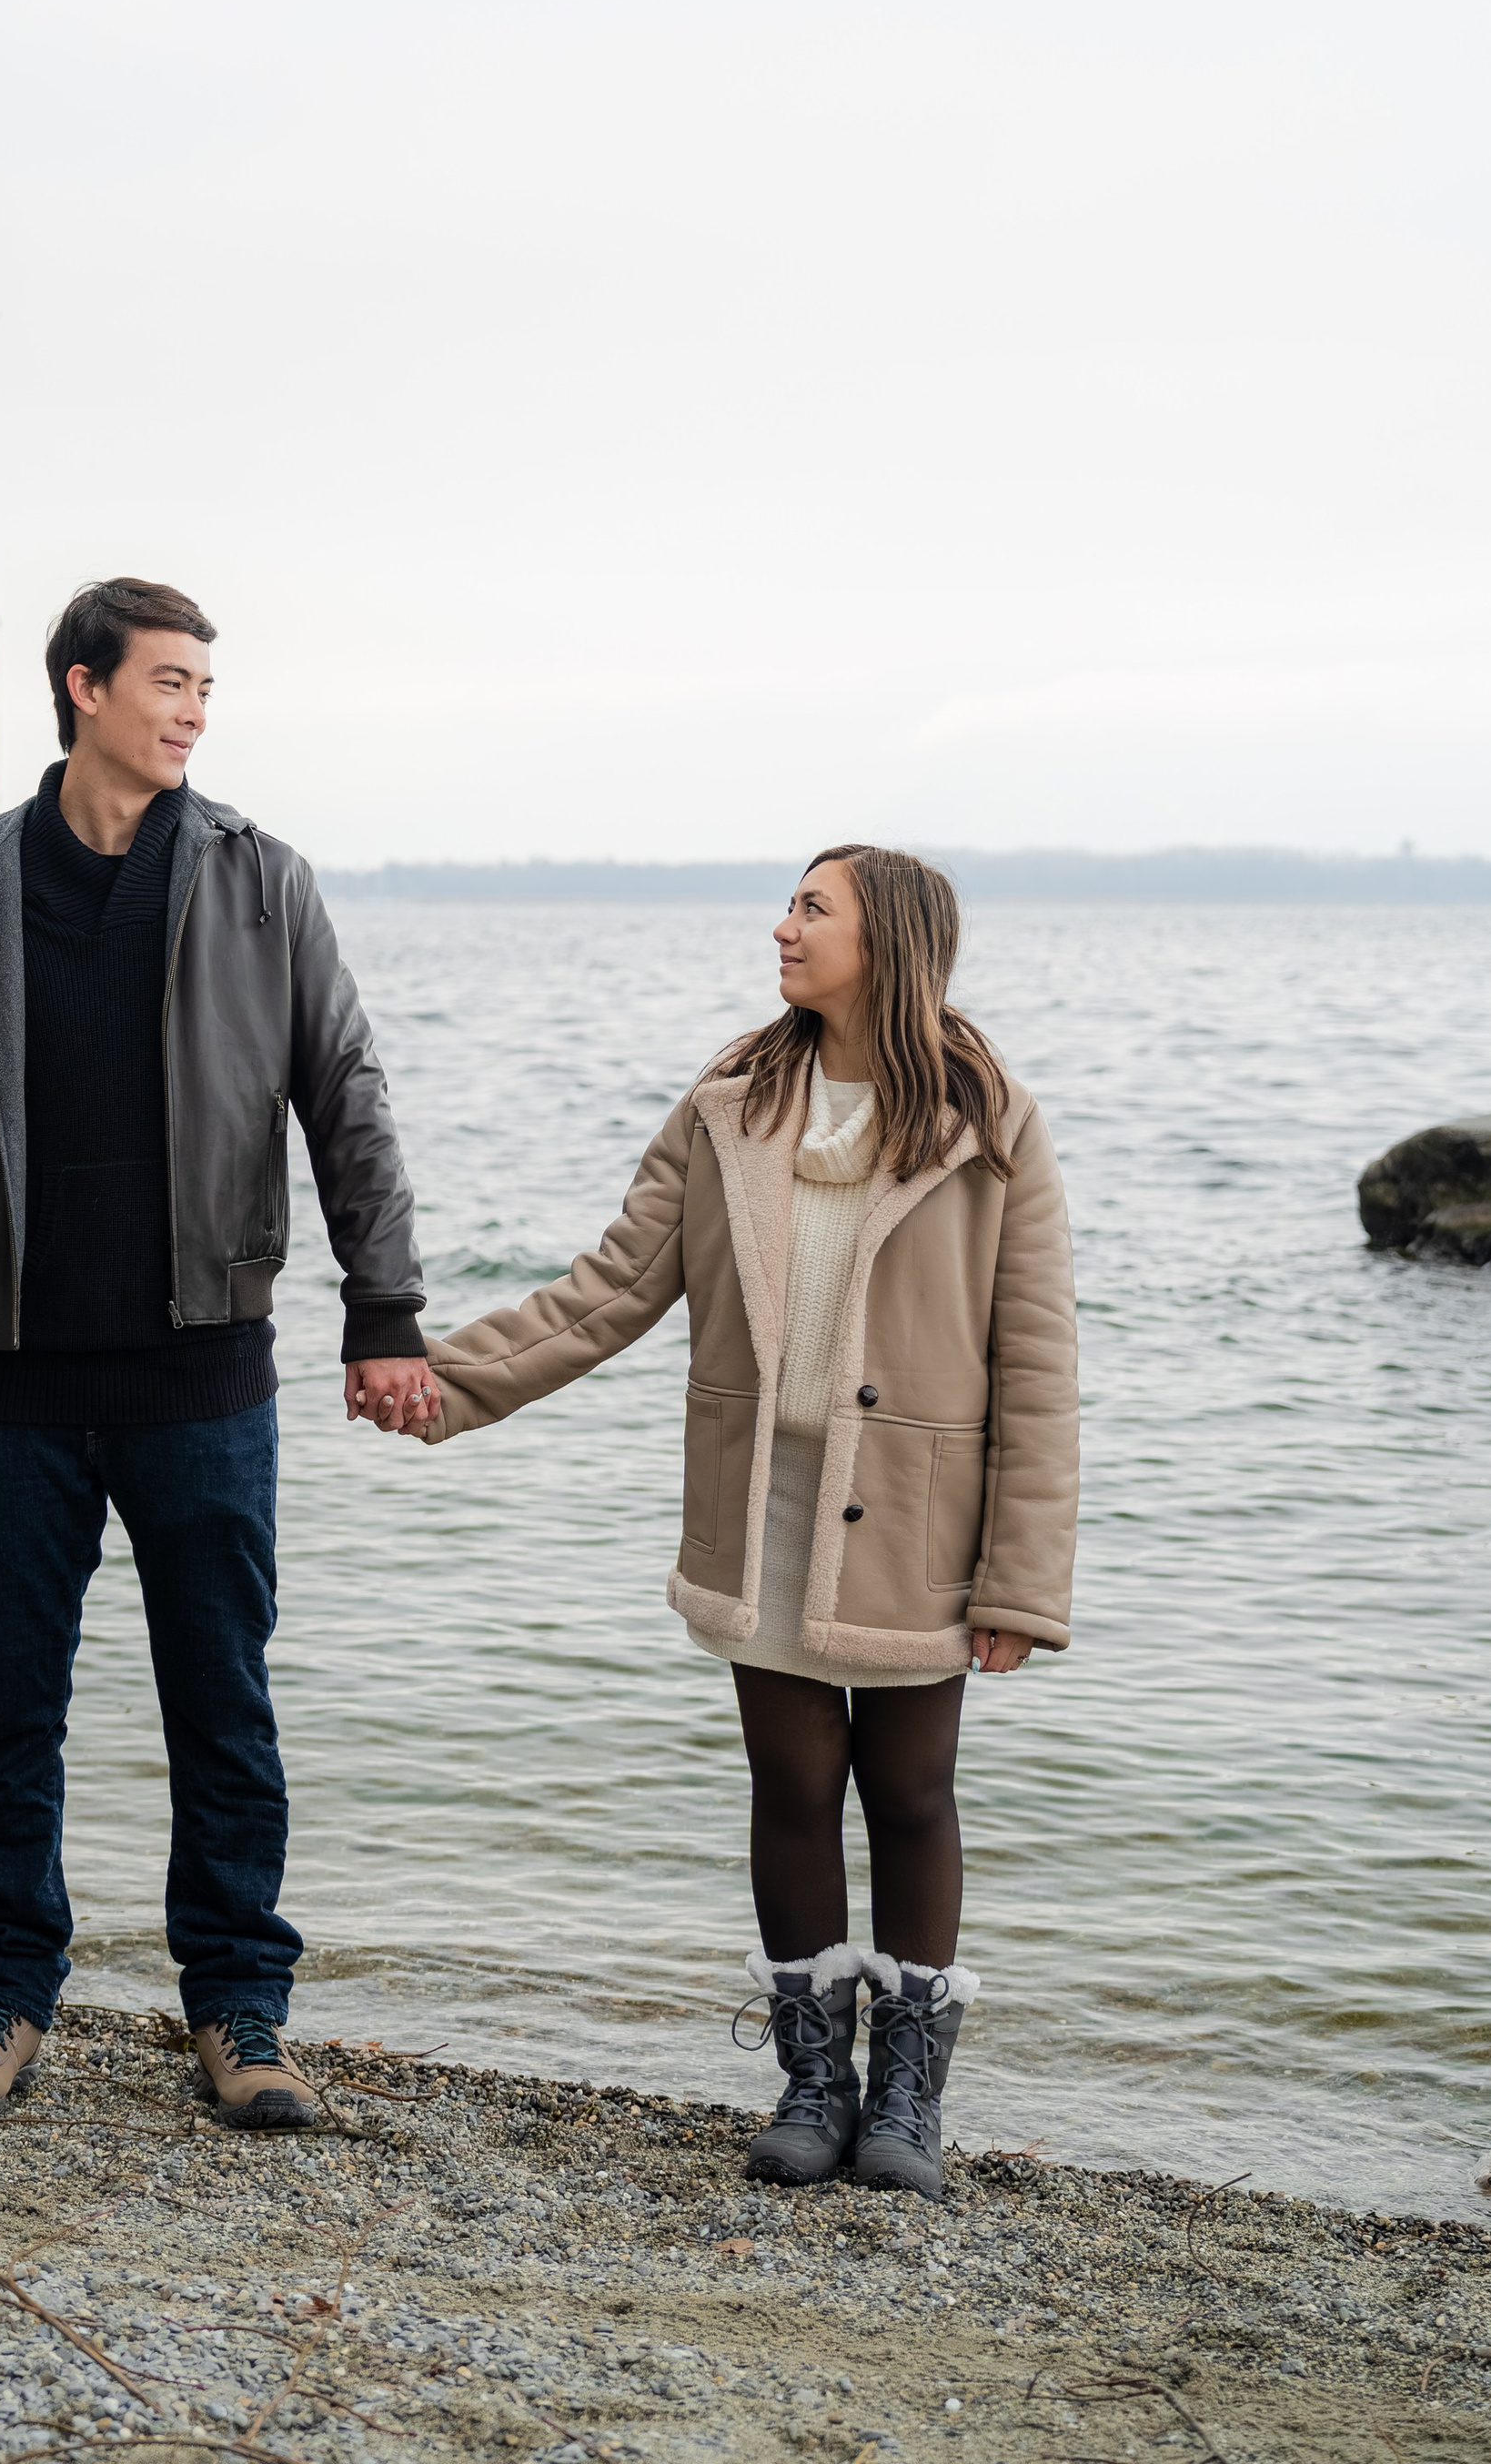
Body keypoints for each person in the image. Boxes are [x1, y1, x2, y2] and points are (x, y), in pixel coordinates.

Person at [383, 846, 1078, 2200]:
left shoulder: (992, 1123)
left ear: (892, 941)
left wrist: (1022, 1581)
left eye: (813, 909)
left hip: (923, 1511)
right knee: (795, 1786)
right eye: (791, 905)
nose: (783, 928)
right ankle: (815, 2086)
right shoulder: (731, 1106)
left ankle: (908, 2103)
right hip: (764, 1492)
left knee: (915, 1790)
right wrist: (442, 1382)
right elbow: (610, 1289)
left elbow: (1039, 1363)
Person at [0, 575, 443, 2131]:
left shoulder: (265, 880)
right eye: (170, 681)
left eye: (206, 685)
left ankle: (241, 2016)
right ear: (83, 688)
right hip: (12, 1381)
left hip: (204, 1379)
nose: (195, 708)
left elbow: (347, 1096)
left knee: (221, 1701)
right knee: (5, 1705)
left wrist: (378, 1309)